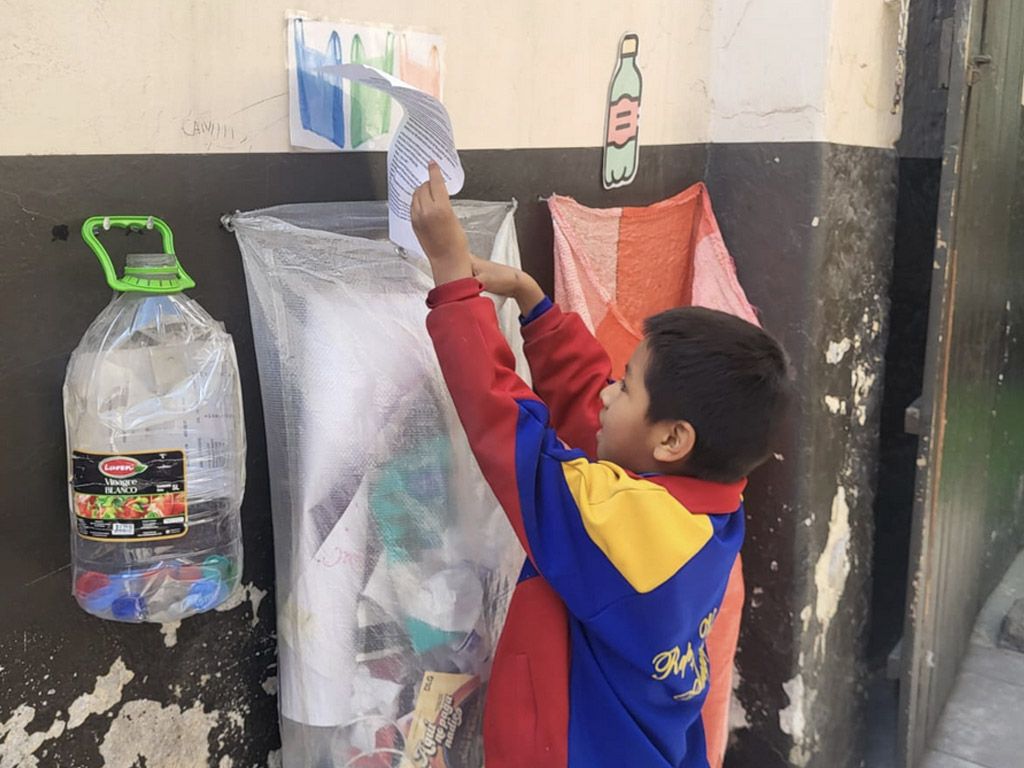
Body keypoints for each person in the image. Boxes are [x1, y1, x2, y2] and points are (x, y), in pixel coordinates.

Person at [411, 163, 790, 767]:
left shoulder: (633, 530)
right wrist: (532, 302)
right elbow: (596, 419)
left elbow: (512, 437)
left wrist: (452, 279)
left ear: (673, 439)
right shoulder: (702, 507)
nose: (610, 393)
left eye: (627, 385)